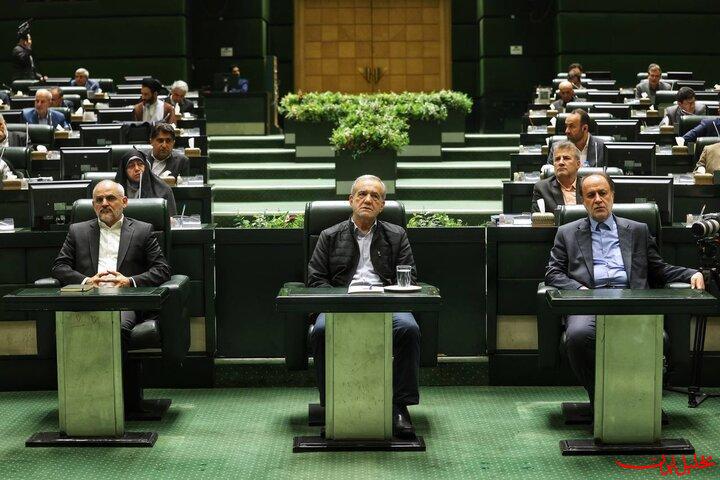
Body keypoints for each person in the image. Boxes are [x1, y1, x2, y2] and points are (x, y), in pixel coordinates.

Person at [545, 172, 705, 403]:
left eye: (602, 193)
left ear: (612, 195)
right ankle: (601, 398)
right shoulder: (567, 233)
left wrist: (691, 273)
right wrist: (579, 290)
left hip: (632, 300)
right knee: (578, 337)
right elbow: (553, 273)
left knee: (657, 338)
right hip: (589, 302)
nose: (598, 199)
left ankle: (631, 399)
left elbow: (659, 269)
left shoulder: (637, 230)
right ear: (583, 201)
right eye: (591, 195)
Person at [307, 175, 420, 438]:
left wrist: (390, 294)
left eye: (375, 196)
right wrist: (341, 300)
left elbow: (410, 277)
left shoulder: (397, 235)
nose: (368, 200)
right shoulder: (329, 235)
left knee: (408, 329)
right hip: (340, 307)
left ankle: (399, 406)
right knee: (322, 331)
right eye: (362, 194)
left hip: (386, 305)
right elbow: (316, 280)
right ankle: (332, 405)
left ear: (382, 205)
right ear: (351, 200)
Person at [51, 180, 171, 411]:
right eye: (99, 200)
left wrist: (129, 281)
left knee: (116, 325)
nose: (104, 203)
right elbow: (59, 267)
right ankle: (82, 397)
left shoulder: (143, 230)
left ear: (124, 202)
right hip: (88, 298)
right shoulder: (77, 231)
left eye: (110, 198)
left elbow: (162, 270)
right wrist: (87, 281)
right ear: (93, 205)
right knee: (71, 325)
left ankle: (114, 398)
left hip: (124, 300)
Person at [115, 149, 178, 216]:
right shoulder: (115, 191)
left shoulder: (163, 190)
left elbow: (171, 218)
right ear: (124, 171)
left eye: (140, 164)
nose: (137, 169)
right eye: (131, 166)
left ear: (146, 166)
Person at [532, 141, 582, 214]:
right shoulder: (542, 188)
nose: (561, 162)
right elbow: (538, 219)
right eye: (557, 159)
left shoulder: (588, 186)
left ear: (578, 164)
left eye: (566, 158)